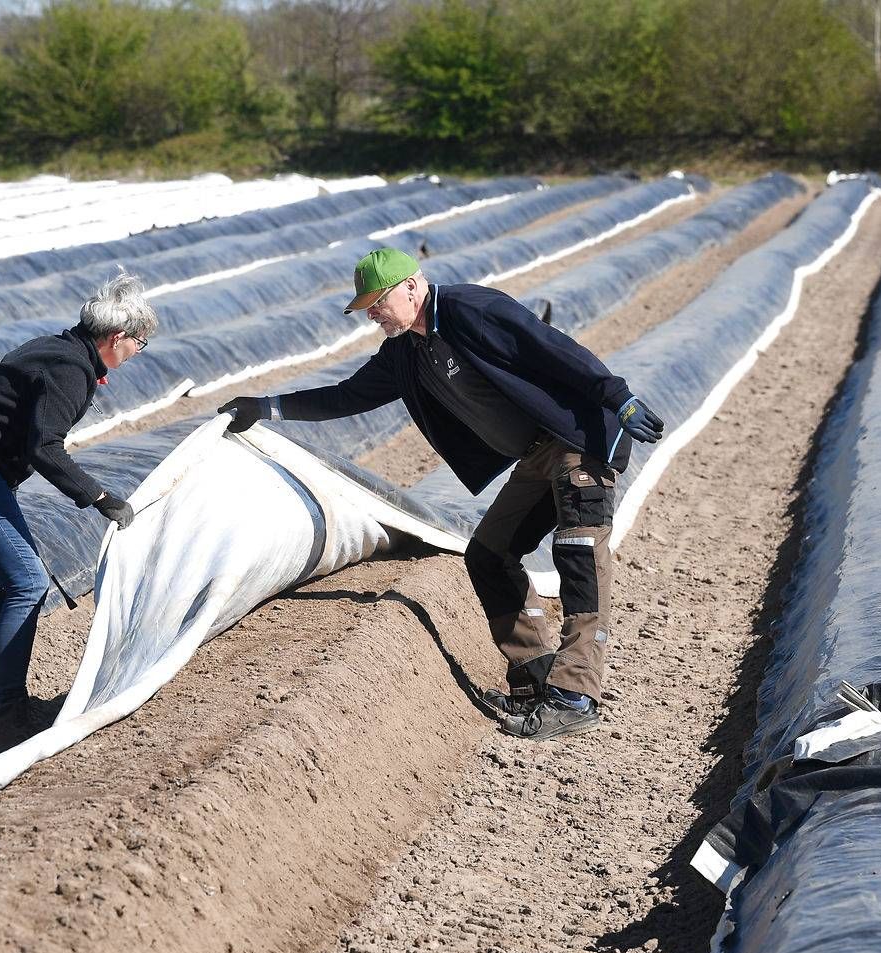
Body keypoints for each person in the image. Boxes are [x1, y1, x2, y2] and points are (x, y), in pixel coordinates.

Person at [219, 248, 665, 740]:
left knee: (579, 552)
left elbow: (551, 346)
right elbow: (346, 396)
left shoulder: (472, 310)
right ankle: (536, 678)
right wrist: (266, 406)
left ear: (412, 286)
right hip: (537, 454)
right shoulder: (405, 353)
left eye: (378, 301)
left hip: (578, 440)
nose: (372, 313)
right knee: (489, 556)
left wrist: (617, 395)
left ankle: (576, 694)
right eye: (366, 306)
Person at [0, 272, 152, 752]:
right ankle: (8, 711)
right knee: (26, 581)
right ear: (116, 337)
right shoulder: (71, 369)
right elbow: (45, 446)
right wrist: (99, 496)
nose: (137, 354)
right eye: (139, 344)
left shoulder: (58, 349)